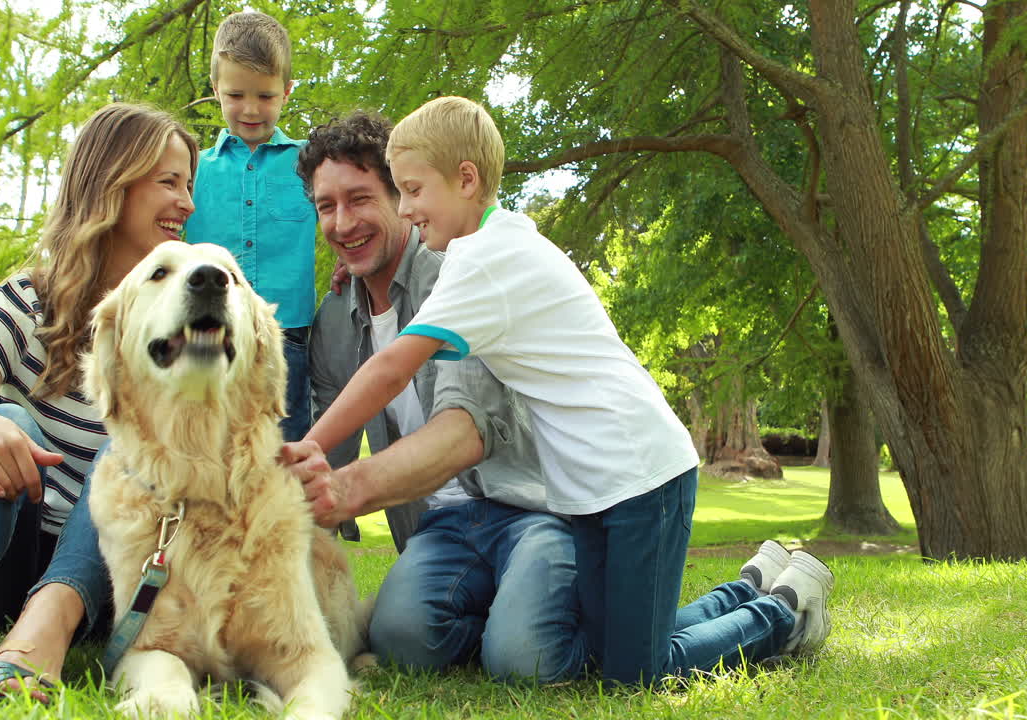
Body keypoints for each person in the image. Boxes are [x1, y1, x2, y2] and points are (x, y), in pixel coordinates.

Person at [299, 96, 834, 686]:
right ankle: (748, 588)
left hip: (640, 473)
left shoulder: (481, 263)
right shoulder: (487, 243)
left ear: (466, 180)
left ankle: (783, 615)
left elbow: (392, 370)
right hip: (593, 487)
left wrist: (308, 449)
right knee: (613, 645)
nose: (406, 209)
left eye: (411, 191)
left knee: (636, 672)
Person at [0, 103, 198, 702]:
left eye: (188, 185)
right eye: (168, 182)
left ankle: (46, 626)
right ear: (112, 183)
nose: (187, 203)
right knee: (2, 417)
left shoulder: (180, 334)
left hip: (98, 583)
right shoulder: (24, 303)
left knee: (143, 442)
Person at [288, 111, 586, 682]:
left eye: (360, 199)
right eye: (327, 206)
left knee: (525, 659)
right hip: (440, 532)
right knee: (400, 639)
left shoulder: (460, 272)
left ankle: (755, 604)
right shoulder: (334, 322)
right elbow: (323, 456)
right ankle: (518, 618)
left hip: (530, 510)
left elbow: (464, 432)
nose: (343, 223)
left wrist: (347, 491)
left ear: (401, 198)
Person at [184, 11, 316, 443]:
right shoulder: (193, 168)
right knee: (206, 442)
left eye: (266, 95)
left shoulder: (310, 162)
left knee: (281, 446)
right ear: (216, 90)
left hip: (287, 336)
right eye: (236, 94)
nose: (251, 109)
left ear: (287, 91)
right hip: (206, 332)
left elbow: (343, 218)